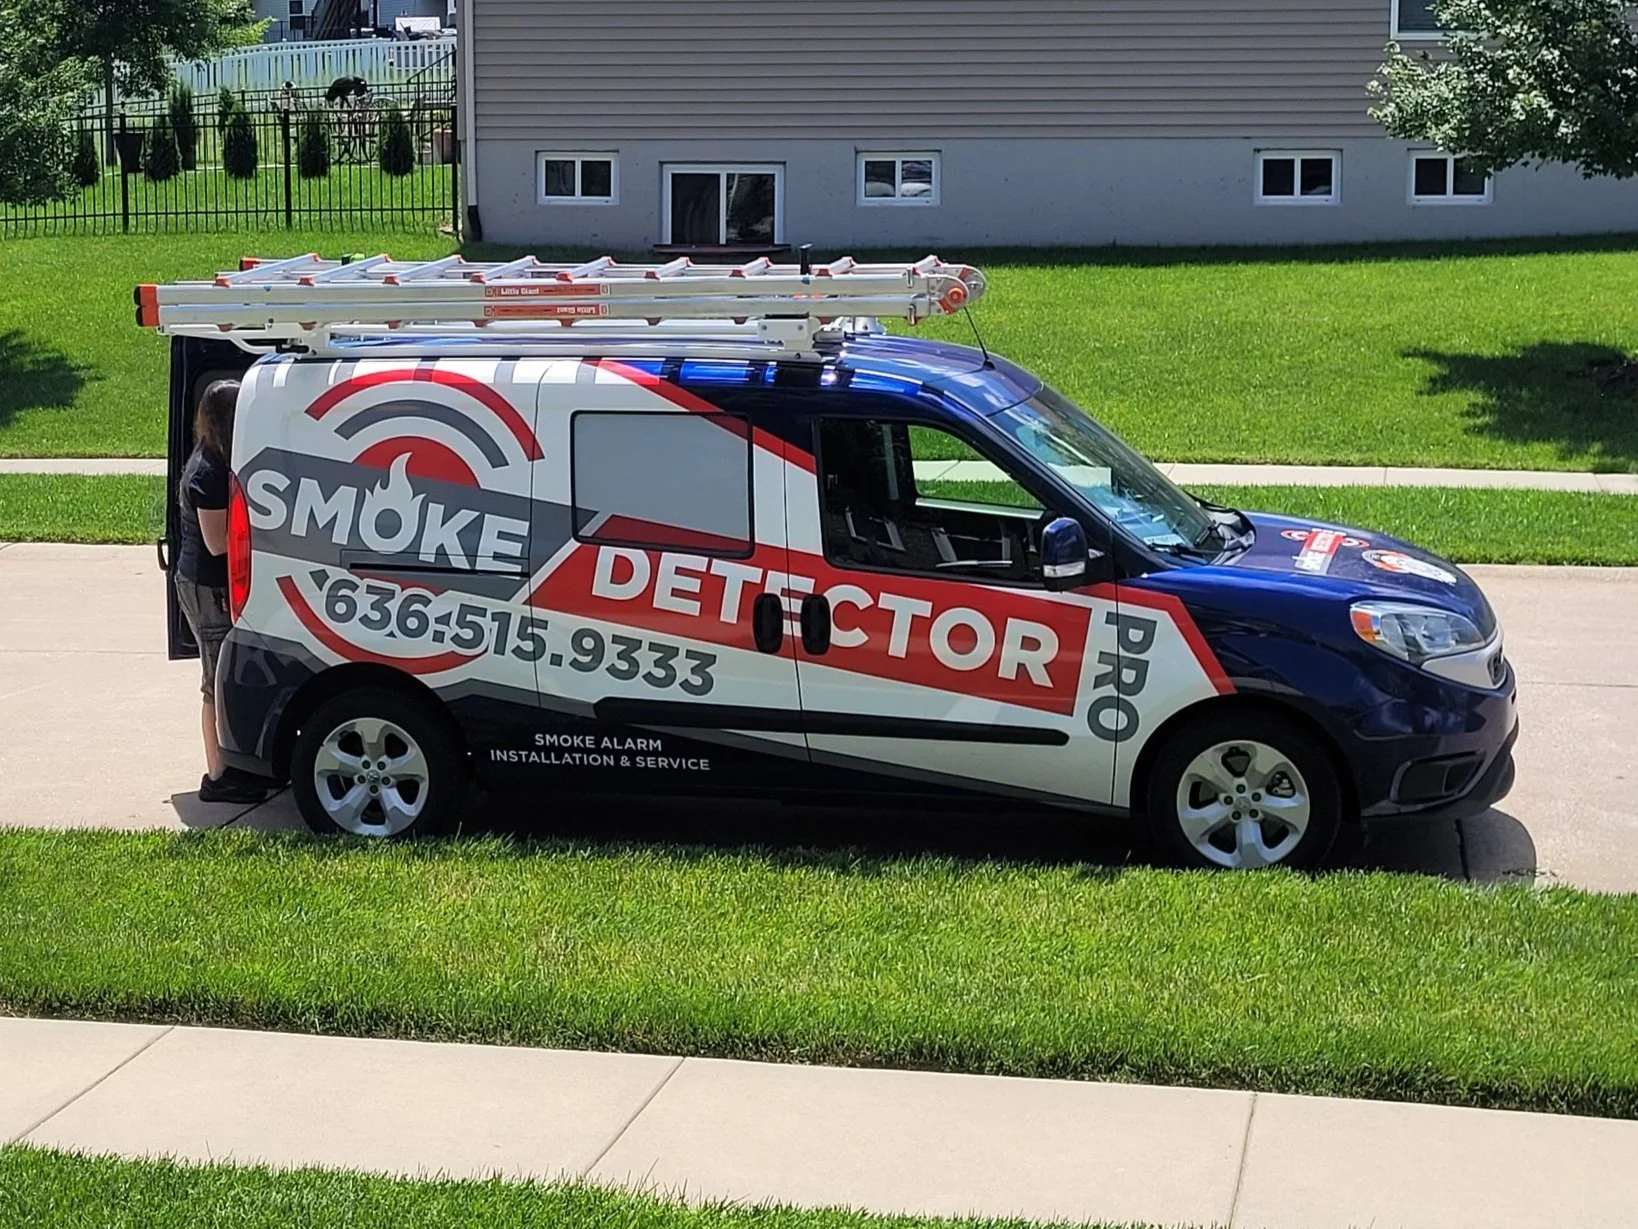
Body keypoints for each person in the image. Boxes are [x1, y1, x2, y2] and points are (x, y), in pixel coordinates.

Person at [175, 380, 267, 805]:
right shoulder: (208, 472)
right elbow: (216, 542)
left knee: (222, 677)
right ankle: (218, 776)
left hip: (211, 583)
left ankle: (232, 767)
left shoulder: (218, 458)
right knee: (214, 681)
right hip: (204, 585)